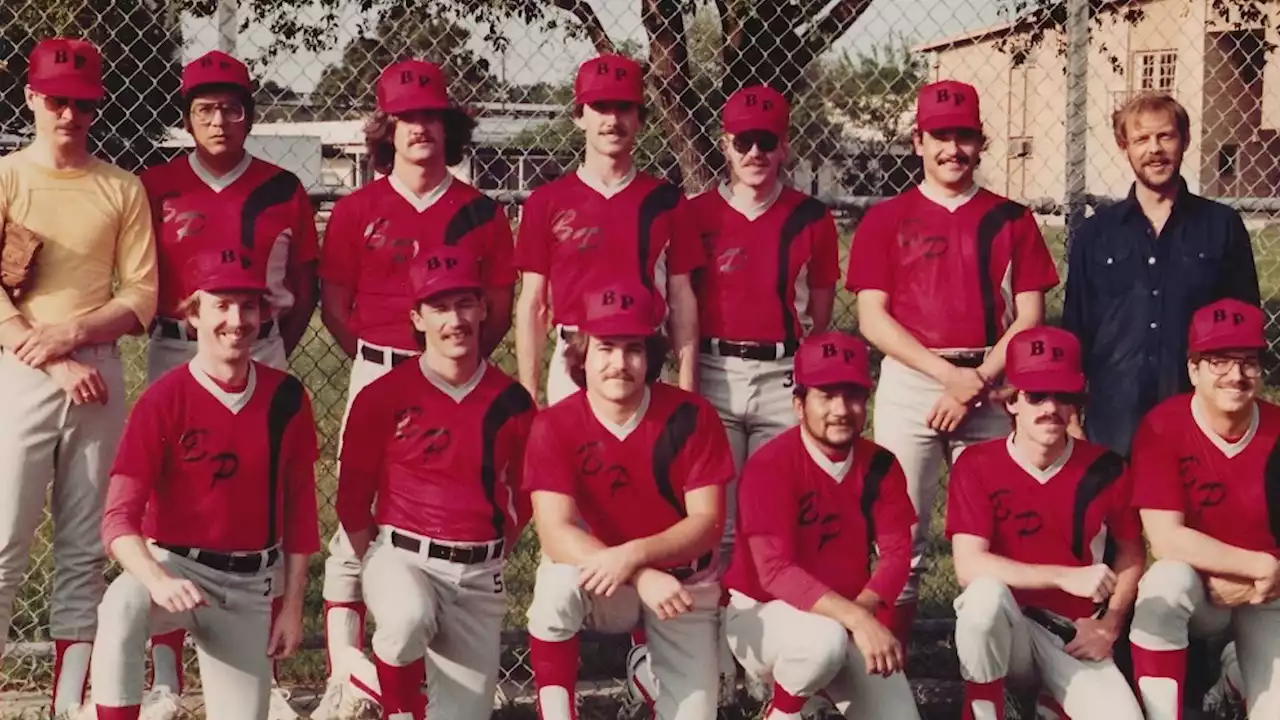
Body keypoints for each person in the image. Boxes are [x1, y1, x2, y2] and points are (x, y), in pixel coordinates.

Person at [316, 58, 517, 719]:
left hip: (457, 372)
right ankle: (346, 674)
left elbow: (494, 306)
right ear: (387, 130)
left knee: (458, 496)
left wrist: (452, 366)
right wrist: (389, 365)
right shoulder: (355, 208)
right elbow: (336, 302)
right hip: (382, 365)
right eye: (405, 119)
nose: (419, 130)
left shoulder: (481, 211)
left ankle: (430, 666)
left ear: (449, 127)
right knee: (357, 521)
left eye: (431, 117)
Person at [137, 50, 320, 717]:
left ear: (250, 114)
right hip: (175, 348)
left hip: (260, 347)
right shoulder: (156, 184)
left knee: (261, 495)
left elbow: (303, 288)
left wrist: (268, 346)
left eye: (233, 107)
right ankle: (164, 675)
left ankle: (259, 648)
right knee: (169, 492)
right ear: (188, 117)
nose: (220, 119)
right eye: (206, 108)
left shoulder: (282, 188)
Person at [845, 79, 1060, 643]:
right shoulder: (886, 218)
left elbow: (1030, 314)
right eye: (940, 136)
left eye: (964, 136)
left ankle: (990, 678)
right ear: (917, 140)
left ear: (981, 141)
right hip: (916, 379)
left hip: (992, 384)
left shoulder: (1010, 218)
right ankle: (890, 671)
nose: (952, 149)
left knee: (993, 536)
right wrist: (949, 378)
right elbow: (872, 318)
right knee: (901, 535)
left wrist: (980, 378)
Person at [88, 245, 320, 720]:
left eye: (249, 305)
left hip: (250, 582)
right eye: (221, 304)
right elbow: (117, 521)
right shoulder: (164, 399)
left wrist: (291, 604)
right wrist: (156, 577)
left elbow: (300, 510)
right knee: (120, 607)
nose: (237, 320)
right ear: (193, 314)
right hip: (176, 567)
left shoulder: (287, 398)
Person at [0, 37, 157, 717]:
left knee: (82, 546)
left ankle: (69, 703)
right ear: (32, 97)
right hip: (22, 365)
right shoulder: (7, 178)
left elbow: (142, 296)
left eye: (84, 104)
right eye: (58, 100)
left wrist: (75, 337)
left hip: (94, 371)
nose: (70, 115)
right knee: (5, 537)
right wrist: (53, 352)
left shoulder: (119, 186)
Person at [335, 245, 535, 720]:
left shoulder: (511, 401)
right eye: (439, 307)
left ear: (484, 308)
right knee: (405, 619)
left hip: (478, 576)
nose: (455, 320)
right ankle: (399, 708)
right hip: (404, 555)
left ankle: (375, 680)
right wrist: (377, 565)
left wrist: (492, 549)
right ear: (417, 318)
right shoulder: (384, 394)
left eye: (465, 303)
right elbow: (351, 499)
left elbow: (526, 496)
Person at [522, 283, 733, 720]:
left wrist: (636, 557)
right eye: (606, 348)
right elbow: (555, 532)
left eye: (633, 348)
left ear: (651, 355)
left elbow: (708, 522)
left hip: (682, 588)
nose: (620, 363)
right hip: (608, 583)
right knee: (557, 586)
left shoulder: (692, 416)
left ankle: (647, 677)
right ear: (582, 353)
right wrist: (639, 574)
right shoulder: (555, 424)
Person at [946, 326, 1145, 719]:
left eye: (1063, 395)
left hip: (1074, 632)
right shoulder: (976, 463)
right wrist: (1062, 576)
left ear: (1077, 402)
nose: (1050, 408)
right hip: (1009, 628)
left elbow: (1132, 553)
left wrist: (1110, 623)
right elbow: (968, 566)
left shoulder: (1106, 467)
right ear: (1011, 402)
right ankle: (987, 708)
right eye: (1035, 395)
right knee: (982, 600)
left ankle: (1049, 704)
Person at [721, 330, 920, 720]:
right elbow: (775, 571)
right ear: (799, 404)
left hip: (844, 618)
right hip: (763, 618)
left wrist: (862, 613)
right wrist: (858, 619)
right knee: (821, 644)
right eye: (826, 396)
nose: (841, 409)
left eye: (853, 395)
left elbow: (898, 554)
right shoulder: (771, 465)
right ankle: (783, 710)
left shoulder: (881, 465)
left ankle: (815, 699)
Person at [1062, 92, 1260, 458]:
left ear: (1184, 141)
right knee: (1116, 515)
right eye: (1141, 139)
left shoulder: (1221, 227)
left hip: (1200, 416)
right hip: (1114, 421)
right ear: (1125, 148)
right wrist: (1071, 415)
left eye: (1165, 136)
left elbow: (1244, 327)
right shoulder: (1096, 234)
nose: (1154, 149)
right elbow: (1076, 330)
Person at [514, 53, 702, 407]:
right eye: (600, 107)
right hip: (574, 354)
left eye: (624, 108)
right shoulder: (547, 201)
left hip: (642, 354)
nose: (612, 120)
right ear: (579, 117)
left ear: (640, 119)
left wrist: (688, 388)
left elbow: (681, 299)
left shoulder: (666, 201)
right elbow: (533, 304)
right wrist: (528, 392)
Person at [1128, 298, 1280, 720]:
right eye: (1219, 361)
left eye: (1248, 361)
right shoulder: (1163, 426)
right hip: (1203, 586)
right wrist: (1257, 566)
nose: (1236, 375)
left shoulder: (1278, 428)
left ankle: (1235, 677)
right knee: (1164, 585)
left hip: (1272, 590)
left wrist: (1268, 575)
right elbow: (1165, 537)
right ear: (1193, 370)